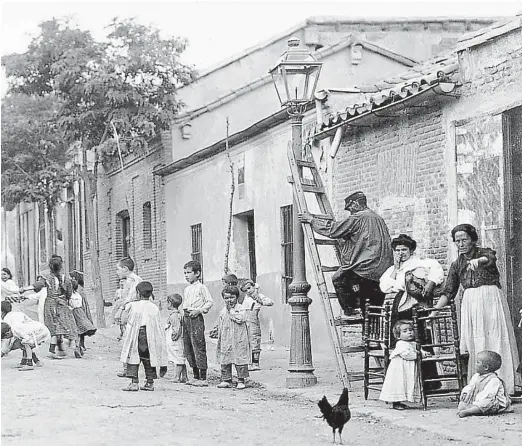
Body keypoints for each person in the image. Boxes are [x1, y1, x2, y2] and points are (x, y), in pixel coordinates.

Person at [438, 224, 520, 395]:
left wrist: (478, 261)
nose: (461, 244)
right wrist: (435, 310)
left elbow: (490, 258)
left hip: (491, 300)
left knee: (495, 336)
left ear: (473, 239)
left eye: (464, 239)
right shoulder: (457, 264)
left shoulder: (484, 252)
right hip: (470, 304)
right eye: (457, 241)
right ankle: (481, 387)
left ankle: (505, 384)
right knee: (477, 340)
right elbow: (449, 291)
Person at [298, 191, 393, 317]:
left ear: (354, 204)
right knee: (373, 312)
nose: (350, 212)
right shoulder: (377, 218)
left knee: (338, 279)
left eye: (350, 209)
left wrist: (312, 220)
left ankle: (351, 310)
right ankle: (367, 326)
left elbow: (333, 230)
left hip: (366, 268)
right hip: (383, 271)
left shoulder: (359, 217)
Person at [120, 281, 168, 391]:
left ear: (137, 293)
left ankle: (134, 383)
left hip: (137, 334)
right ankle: (149, 382)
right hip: (150, 336)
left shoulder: (133, 305)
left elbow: (123, 319)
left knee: (133, 357)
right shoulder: (154, 307)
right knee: (148, 358)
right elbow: (158, 325)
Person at [32, 255, 80, 359]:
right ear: (61, 266)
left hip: (50, 304)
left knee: (53, 328)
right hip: (62, 304)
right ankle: (75, 346)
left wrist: (27, 288)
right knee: (68, 325)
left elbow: (37, 286)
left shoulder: (46, 277)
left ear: (50, 266)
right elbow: (69, 294)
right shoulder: (66, 279)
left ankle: (52, 350)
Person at [379, 320, 429, 410]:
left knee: (406, 383)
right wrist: (419, 355)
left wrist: (424, 353)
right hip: (399, 369)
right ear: (398, 336)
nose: (409, 332)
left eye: (410, 330)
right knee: (399, 384)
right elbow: (407, 355)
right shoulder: (401, 344)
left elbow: (419, 350)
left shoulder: (414, 343)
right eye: (405, 331)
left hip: (407, 369)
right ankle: (396, 403)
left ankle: (402, 401)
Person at [182, 260, 213, 387]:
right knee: (188, 346)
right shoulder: (187, 289)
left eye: (189, 272)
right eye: (185, 273)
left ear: (198, 273)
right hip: (186, 317)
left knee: (198, 345)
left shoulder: (202, 287)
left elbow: (209, 302)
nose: (186, 275)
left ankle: (203, 377)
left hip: (196, 318)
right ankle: (195, 375)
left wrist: (199, 310)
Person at [457, 351, 511, 418]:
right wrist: (466, 393)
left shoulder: (494, 380)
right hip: (477, 400)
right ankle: (474, 409)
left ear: (486, 367)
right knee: (462, 404)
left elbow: (488, 394)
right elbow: (470, 386)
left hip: (491, 402)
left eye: (478, 362)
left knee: (487, 403)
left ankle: (470, 411)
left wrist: (477, 401)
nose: (475, 364)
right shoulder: (476, 376)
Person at [216, 285, 251, 389]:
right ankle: (226, 379)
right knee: (225, 356)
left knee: (240, 357)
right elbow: (220, 322)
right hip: (226, 338)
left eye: (232, 297)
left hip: (238, 337)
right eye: (226, 298)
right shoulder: (223, 311)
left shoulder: (241, 308)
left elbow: (241, 318)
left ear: (237, 298)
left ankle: (241, 380)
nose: (229, 300)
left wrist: (231, 312)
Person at [1, 302, 50, 370]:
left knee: (25, 343)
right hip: (36, 329)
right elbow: (30, 322)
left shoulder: (8, 322)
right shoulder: (17, 314)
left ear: (2, 311)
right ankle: (31, 361)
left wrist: (3, 351)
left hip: (40, 331)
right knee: (23, 342)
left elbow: (9, 341)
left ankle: (29, 364)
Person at [239, 279, 274, 370]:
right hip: (245, 320)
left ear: (254, 286)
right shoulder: (246, 298)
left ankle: (255, 363)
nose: (248, 291)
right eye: (246, 290)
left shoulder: (259, 296)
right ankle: (249, 362)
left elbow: (270, 302)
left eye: (249, 288)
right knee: (246, 341)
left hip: (253, 320)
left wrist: (260, 300)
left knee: (255, 340)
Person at [69, 273, 97, 356]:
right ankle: (79, 346)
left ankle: (78, 346)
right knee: (81, 330)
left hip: (75, 312)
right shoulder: (79, 293)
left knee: (77, 331)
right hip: (81, 312)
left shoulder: (79, 292)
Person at [165, 293, 187, 383]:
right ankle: (184, 376)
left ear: (170, 303)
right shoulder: (176, 315)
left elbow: (176, 328)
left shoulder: (174, 316)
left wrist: (174, 336)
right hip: (174, 340)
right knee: (179, 357)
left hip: (175, 340)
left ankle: (177, 376)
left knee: (178, 357)